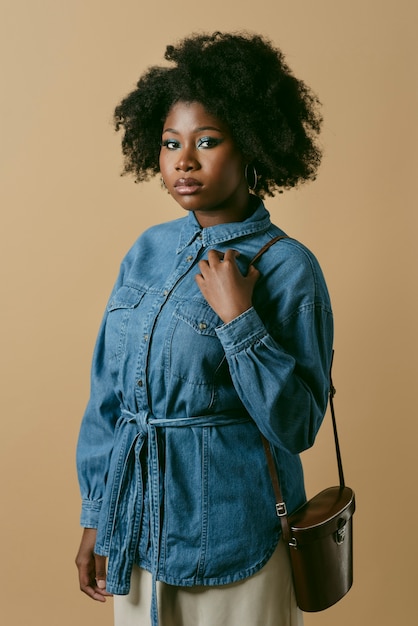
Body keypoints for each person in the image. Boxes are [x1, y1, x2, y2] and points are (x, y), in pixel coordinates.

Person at [75, 31, 333, 626]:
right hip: (137, 528)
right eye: (170, 144)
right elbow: (107, 397)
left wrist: (239, 320)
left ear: (253, 149)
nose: (183, 160)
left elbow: (297, 424)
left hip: (238, 536)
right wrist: (96, 514)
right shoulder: (148, 251)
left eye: (207, 142)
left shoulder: (289, 267)